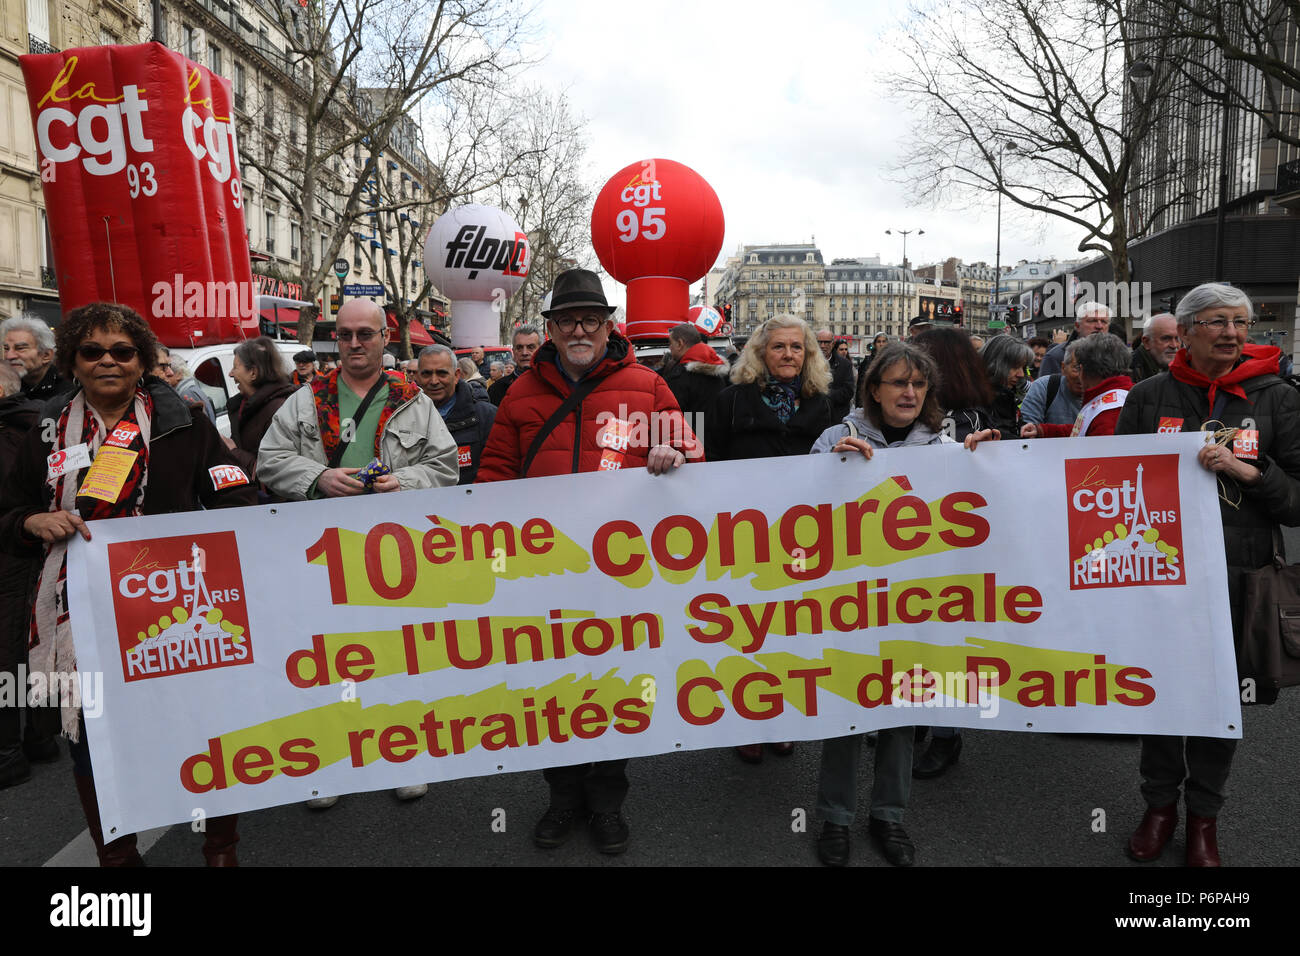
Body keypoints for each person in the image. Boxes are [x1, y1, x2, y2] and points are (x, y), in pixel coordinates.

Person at [0, 302, 256, 865]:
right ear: (72, 361)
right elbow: (10, 508)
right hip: (81, 613)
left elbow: (238, 498)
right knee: (95, 744)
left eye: (123, 350)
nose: (108, 361)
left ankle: (221, 847)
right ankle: (117, 859)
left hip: (173, 609)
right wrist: (31, 521)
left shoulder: (182, 422)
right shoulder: (47, 426)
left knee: (204, 733)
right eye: (93, 351)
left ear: (142, 360)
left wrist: (178, 539)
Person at [476, 268, 699, 856]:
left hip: (621, 577)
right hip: (542, 576)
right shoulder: (518, 394)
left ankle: (606, 801)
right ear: (550, 328)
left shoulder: (648, 386)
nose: (579, 330)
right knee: (552, 689)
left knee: (610, 687)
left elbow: (695, 456)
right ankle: (562, 796)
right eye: (567, 320)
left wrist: (676, 453)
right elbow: (495, 473)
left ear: (608, 326)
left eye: (591, 320)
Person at [1115, 282, 1300, 867]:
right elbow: (1116, 487)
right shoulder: (1147, 396)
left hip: (1238, 578)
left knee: (1222, 701)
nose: (1233, 333)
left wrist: (1251, 472)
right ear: (1186, 331)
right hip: (1162, 576)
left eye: (1242, 323)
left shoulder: (1277, 398)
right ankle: (1158, 807)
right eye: (1218, 321)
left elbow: (1297, 502)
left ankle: (1203, 818)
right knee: (1164, 694)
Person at [257, 298, 459, 805]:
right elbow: (268, 461)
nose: (353, 344)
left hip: (395, 555)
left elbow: (446, 466)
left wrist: (404, 481)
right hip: (320, 556)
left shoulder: (415, 401)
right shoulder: (304, 401)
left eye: (364, 334)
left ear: (384, 339)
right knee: (327, 660)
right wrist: (318, 476)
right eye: (344, 335)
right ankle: (330, 764)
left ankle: (403, 754)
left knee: (397, 656)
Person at [810, 342, 995, 867]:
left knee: (902, 710)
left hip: (919, 600)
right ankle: (835, 818)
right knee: (846, 709)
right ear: (873, 389)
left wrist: (990, 464)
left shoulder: (949, 440)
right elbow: (796, 507)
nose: (910, 392)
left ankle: (889, 816)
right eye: (898, 383)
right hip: (849, 599)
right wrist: (831, 468)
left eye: (919, 384)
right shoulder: (833, 436)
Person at [706, 313, 832, 762]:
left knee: (792, 630)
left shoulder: (826, 402)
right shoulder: (731, 400)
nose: (788, 355)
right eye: (778, 347)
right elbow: (713, 460)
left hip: (805, 536)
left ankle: (783, 718)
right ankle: (746, 719)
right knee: (749, 630)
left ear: (809, 354)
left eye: (797, 347)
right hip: (746, 536)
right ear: (760, 353)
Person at [908, 327, 995, 777]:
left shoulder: (968, 421)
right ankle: (919, 719)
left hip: (948, 544)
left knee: (947, 642)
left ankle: (948, 734)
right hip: (911, 543)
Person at [0, 363, 57, 789]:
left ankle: (9, 752)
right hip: (28, 548)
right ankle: (39, 736)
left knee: (13, 650)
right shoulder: (39, 421)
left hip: (17, 553)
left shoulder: (18, 430)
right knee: (35, 644)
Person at [1021, 333, 1132, 438]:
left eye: (1079, 368)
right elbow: (1083, 430)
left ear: (1085, 370)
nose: (1078, 376)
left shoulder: (1108, 413)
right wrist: (1043, 430)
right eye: (1075, 368)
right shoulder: (1122, 397)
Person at [223, 337, 298, 487]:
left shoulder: (278, 411)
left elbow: (279, 473)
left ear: (253, 373)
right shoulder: (243, 406)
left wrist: (233, 451)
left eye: (235, 367)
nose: (230, 374)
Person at [416, 344, 496, 484]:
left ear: (457, 375)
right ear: (417, 376)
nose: (434, 381)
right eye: (427, 374)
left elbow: (497, 471)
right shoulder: (403, 417)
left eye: (442, 373)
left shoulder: (486, 416)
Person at [661, 323, 729, 421]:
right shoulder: (718, 371)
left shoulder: (679, 376)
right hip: (717, 434)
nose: (669, 347)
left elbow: (670, 417)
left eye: (670, 343)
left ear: (680, 343)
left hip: (691, 434)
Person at [2, 315, 69, 402]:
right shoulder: (5, 386)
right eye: (6, 349)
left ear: (46, 355)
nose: (9, 356)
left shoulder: (69, 393)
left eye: (20, 348)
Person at [1020, 339, 1085, 428]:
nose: (1082, 376)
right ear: (1063, 368)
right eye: (1076, 368)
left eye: (1090, 368)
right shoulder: (1044, 388)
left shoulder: (1105, 396)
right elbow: (1028, 431)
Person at [980, 335, 1033, 437]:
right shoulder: (975, 402)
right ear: (994, 364)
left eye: (1023, 367)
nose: (1021, 374)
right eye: (1015, 366)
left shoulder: (1008, 396)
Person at [1039, 301, 1112, 376]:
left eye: (1104, 322)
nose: (1099, 326)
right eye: (1092, 321)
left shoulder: (1118, 355)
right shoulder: (1055, 357)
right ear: (1077, 326)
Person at [153, 348, 217, 423]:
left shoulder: (186, 394)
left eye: (169, 376)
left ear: (179, 375)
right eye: (163, 369)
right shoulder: (191, 389)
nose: (166, 377)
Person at [488, 326, 542, 406]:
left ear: (540, 350)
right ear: (513, 351)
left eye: (530, 347)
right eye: (519, 348)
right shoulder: (497, 388)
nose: (524, 353)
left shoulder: (553, 384)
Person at [816, 328, 855, 424]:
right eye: (819, 342)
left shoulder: (845, 364)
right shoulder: (808, 363)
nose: (822, 346)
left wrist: (825, 395)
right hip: (814, 418)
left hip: (836, 418)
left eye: (826, 342)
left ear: (833, 344)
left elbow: (848, 392)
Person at [1130, 313, 1180, 383]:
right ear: (1147, 342)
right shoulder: (1130, 371)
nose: (1174, 345)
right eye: (1166, 339)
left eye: (1177, 339)